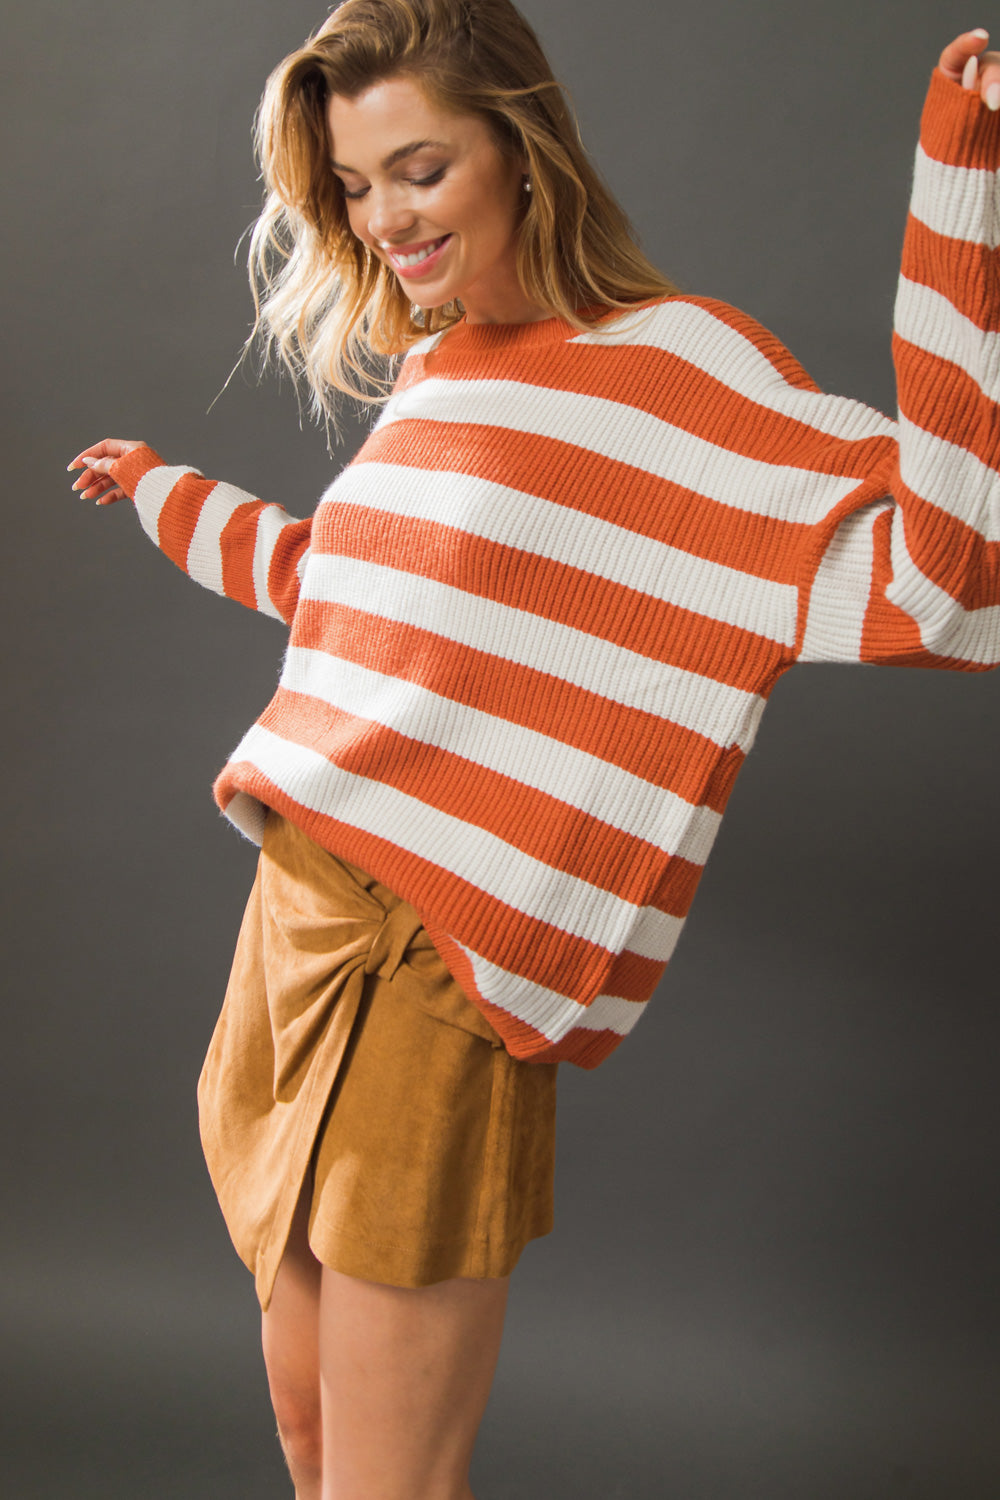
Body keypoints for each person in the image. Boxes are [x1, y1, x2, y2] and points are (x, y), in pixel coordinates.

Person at [67, 2, 1000, 1496]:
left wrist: (964, 194)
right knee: (309, 1435)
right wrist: (168, 492)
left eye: (418, 170)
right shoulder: (441, 374)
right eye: (357, 187)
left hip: (444, 968)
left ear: (523, 145)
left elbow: (959, 579)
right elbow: (341, 594)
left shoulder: (686, 373)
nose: (383, 221)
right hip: (291, 940)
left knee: (387, 1480)